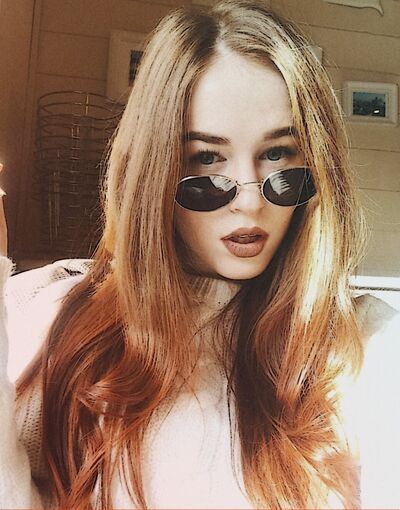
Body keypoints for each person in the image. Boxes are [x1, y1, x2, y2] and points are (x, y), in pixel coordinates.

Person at [0, 0, 399, 508]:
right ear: (154, 172)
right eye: (207, 158)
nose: (250, 201)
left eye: (278, 153)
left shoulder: (363, 346)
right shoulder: (55, 324)